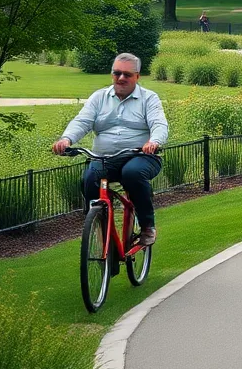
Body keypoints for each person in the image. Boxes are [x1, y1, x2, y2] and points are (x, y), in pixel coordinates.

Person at [52, 53, 168, 246]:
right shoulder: (99, 97)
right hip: (105, 158)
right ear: (112, 74)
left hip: (141, 156)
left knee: (132, 173)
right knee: (90, 177)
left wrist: (153, 141)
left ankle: (147, 226)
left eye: (127, 74)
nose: (121, 78)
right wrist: (66, 139)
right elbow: (82, 121)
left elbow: (159, 124)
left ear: (137, 77)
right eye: (117, 73)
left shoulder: (149, 98)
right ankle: (100, 227)